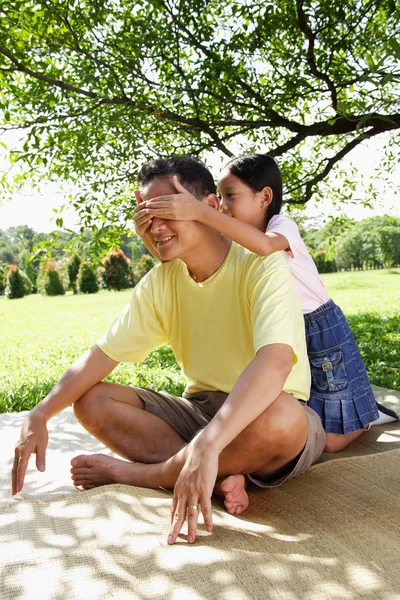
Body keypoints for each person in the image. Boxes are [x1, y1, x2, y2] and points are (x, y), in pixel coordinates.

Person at [12, 155, 326, 545]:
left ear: (208, 207)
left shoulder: (261, 263)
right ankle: (218, 472)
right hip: (201, 410)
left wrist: (210, 444)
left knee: (284, 416)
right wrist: (40, 413)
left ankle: (149, 474)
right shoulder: (162, 280)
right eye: (146, 213)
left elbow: (276, 361)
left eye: (166, 211)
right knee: (90, 400)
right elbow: (101, 354)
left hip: (266, 413)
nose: (154, 227)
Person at [139, 153, 398, 453]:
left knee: (331, 440)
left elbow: (265, 247)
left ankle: (367, 415)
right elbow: (184, 254)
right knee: (305, 416)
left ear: (264, 197)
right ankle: (357, 408)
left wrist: (198, 211)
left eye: (230, 196)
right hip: (285, 333)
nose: (222, 206)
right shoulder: (234, 237)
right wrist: (149, 231)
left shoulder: (282, 227)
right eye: (219, 198)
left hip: (318, 331)